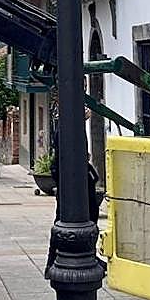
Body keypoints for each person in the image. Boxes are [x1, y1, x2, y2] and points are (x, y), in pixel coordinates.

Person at [43, 109, 104, 278]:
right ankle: (53, 261)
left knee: (89, 215)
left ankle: (88, 255)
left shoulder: (70, 123)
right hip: (70, 178)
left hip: (77, 175)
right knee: (66, 219)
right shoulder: (66, 124)